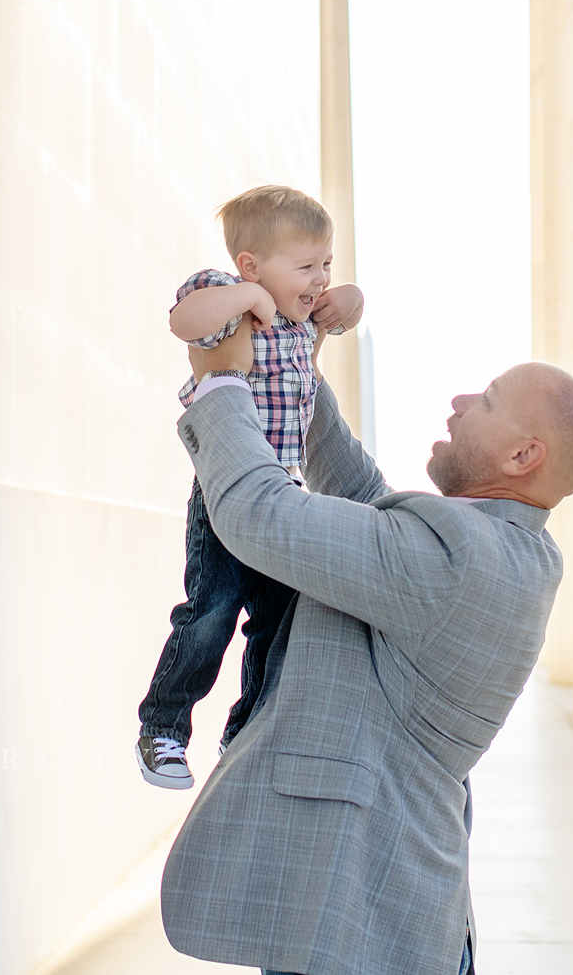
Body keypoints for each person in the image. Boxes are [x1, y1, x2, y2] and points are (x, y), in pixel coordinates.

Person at [160, 322, 573, 975]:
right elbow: (365, 499)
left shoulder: (458, 561)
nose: (459, 402)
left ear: (523, 456)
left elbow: (259, 514)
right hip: (375, 917)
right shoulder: (508, 549)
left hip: (360, 924)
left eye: (486, 401)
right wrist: (295, 371)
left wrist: (221, 380)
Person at [135, 186, 366, 789]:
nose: (320, 279)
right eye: (307, 265)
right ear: (251, 265)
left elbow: (348, 309)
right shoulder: (227, 296)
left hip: (284, 494)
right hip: (224, 495)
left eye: (327, 264)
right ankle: (163, 726)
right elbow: (183, 323)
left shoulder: (299, 321)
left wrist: (350, 296)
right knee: (211, 610)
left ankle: (248, 728)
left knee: (276, 620)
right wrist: (247, 297)